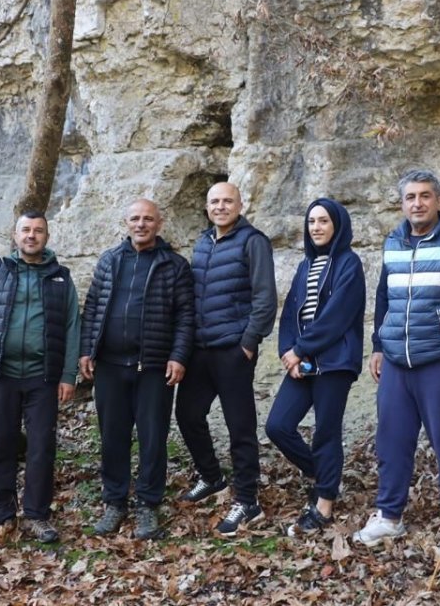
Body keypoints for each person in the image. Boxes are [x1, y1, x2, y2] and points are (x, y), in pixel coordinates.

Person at [353, 170, 440, 569]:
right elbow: (383, 295)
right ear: (402, 203)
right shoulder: (392, 241)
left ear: (438, 201)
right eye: (411, 197)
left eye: (425, 196)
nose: (418, 203)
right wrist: (378, 345)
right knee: (392, 443)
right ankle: (389, 515)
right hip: (396, 361)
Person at [80, 199, 194, 540]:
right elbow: (93, 307)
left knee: (152, 437)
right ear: (126, 222)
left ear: (159, 224)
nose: (141, 224)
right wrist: (87, 350)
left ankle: (147, 503)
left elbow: (186, 316)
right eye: (135, 219)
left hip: (154, 367)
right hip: (110, 366)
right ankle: (114, 501)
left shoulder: (174, 265)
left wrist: (179, 356)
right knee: (113, 437)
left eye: (148, 219)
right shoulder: (109, 260)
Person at [0, 211, 79, 543]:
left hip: (43, 378)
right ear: (15, 236)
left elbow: (73, 328)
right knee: (1, 446)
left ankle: (36, 515)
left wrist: (68, 375)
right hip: (0, 375)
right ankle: (3, 516)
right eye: (25, 230)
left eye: (38, 231)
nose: (31, 235)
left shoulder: (61, 278)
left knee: (41, 447)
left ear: (47, 236)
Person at [175, 181, 277, 537]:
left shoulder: (253, 242)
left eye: (227, 201)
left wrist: (247, 344)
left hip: (233, 350)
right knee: (187, 414)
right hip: (201, 350)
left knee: (240, 426)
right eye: (215, 202)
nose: (220, 207)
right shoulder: (203, 243)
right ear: (207, 207)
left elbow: (265, 298)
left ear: (240, 205)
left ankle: (247, 499)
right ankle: (212, 477)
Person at [265, 198, 365, 536]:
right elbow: (291, 314)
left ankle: (324, 503)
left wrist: (300, 349)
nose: (316, 227)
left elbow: (337, 316)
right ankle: (325, 477)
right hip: (303, 362)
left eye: (323, 221)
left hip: (334, 362)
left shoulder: (349, 263)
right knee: (278, 425)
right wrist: (287, 352)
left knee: (326, 431)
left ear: (337, 225)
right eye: (311, 222)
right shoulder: (305, 266)